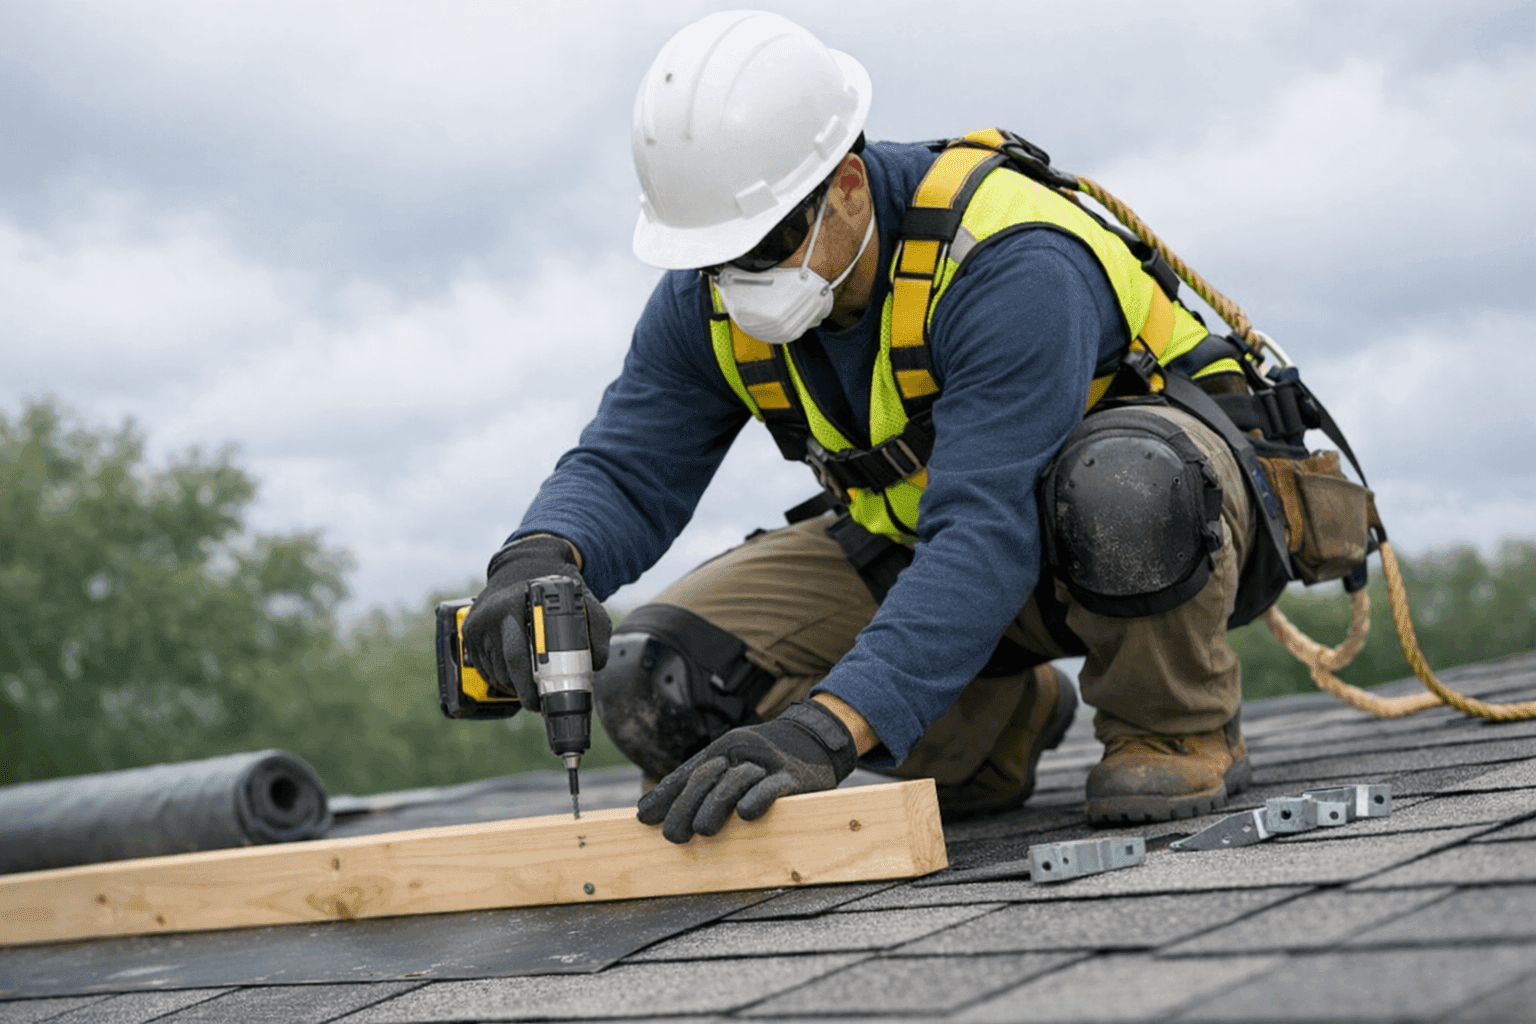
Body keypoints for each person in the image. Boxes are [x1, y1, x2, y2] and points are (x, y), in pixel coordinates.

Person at [462, 10, 1290, 845]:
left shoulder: (1008, 258)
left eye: (768, 243)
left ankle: (1172, 724)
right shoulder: (708, 300)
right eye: (718, 257)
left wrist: (827, 728)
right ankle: (987, 731)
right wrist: (539, 554)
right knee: (656, 684)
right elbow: (627, 465)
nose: (744, 280)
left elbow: (984, 528)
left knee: (1122, 487)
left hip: (1147, 529)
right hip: (930, 553)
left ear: (849, 188)